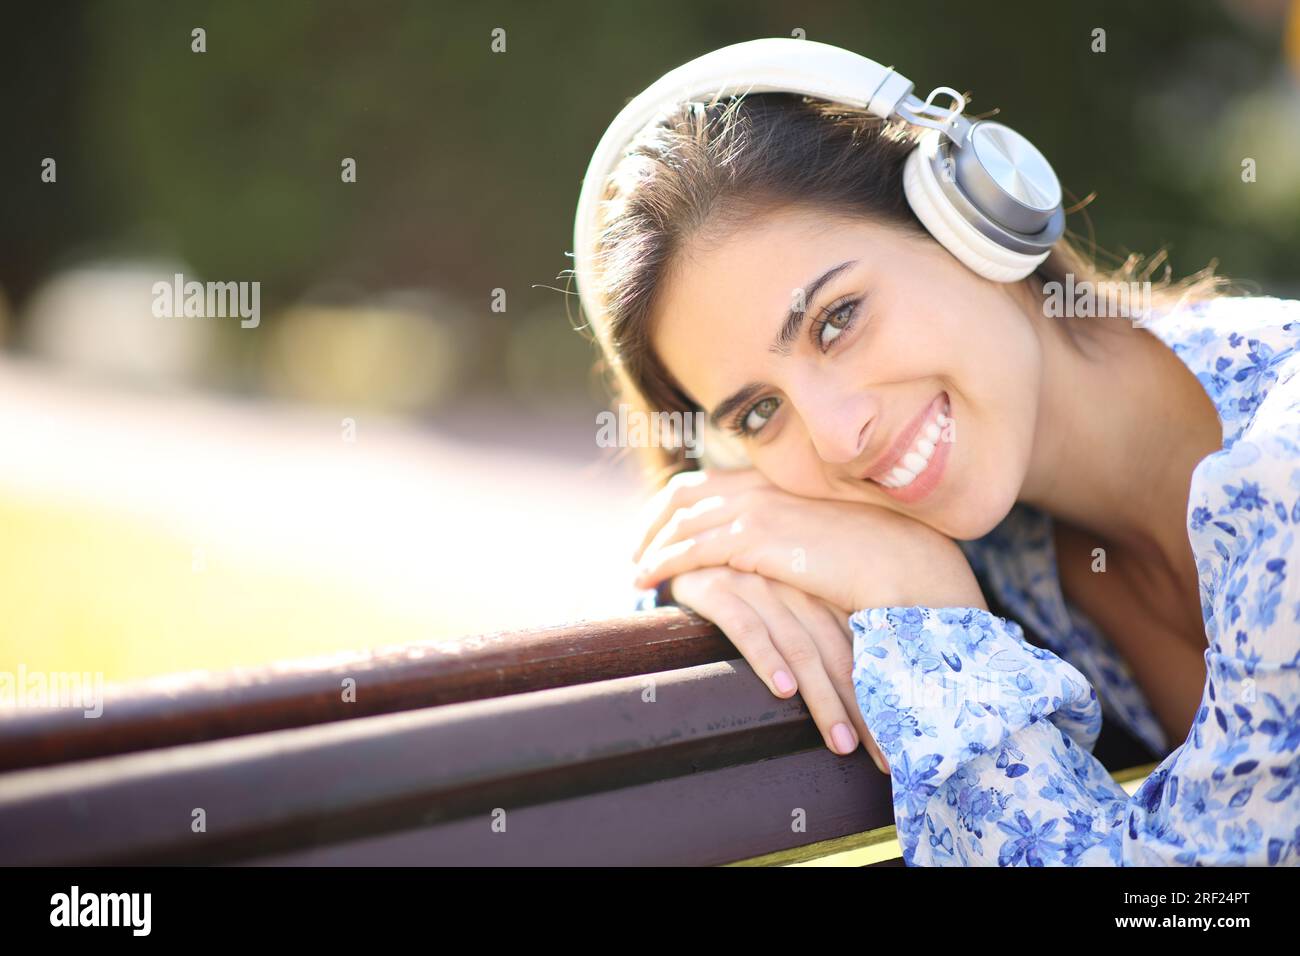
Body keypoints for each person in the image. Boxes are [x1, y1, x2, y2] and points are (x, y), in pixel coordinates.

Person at [573, 60, 1300, 865]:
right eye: (759, 412)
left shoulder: (1284, 468)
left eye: (838, 318)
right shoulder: (1003, 543)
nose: (839, 436)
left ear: (973, 217)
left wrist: (914, 596)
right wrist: (715, 562)